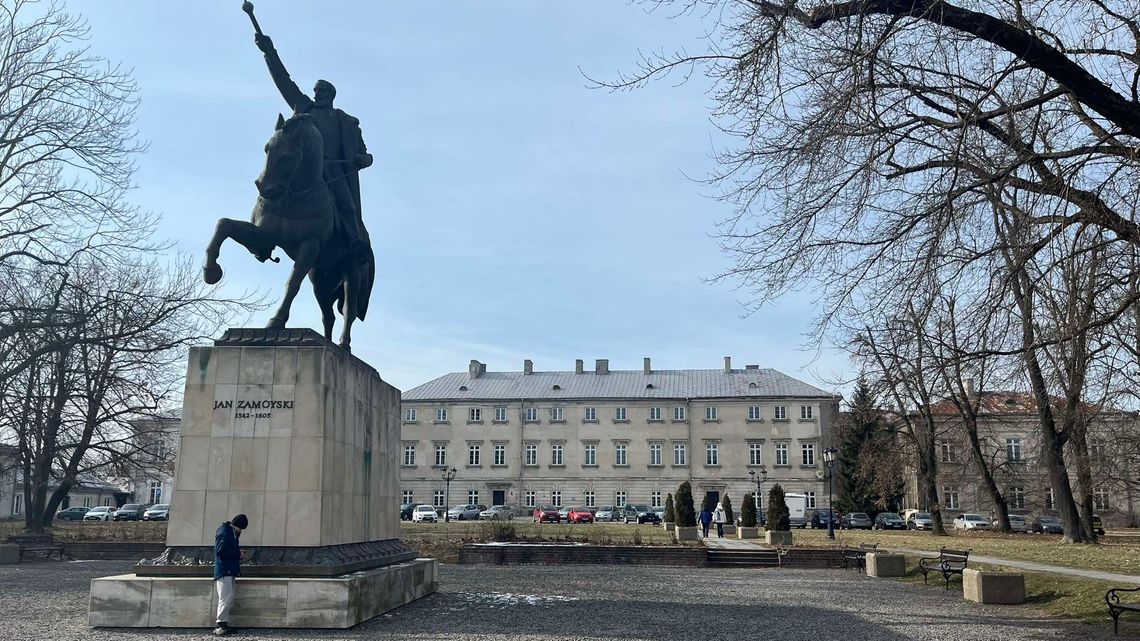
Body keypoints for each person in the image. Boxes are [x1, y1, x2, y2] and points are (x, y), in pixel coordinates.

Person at [252, 33, 373, 265]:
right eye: (315, 91)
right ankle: (262, 235)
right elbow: (284, 81)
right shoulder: (303, 107)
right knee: (273, 183)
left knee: (347, 205)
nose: (316, 94)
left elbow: (365, 153)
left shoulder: (346, 122)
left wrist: (363, 158)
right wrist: (269, 52)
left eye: (321, 92)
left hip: (332, 170)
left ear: (331, 96)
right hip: (302, 165)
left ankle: (356, 240)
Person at [214, 513, 249, 637]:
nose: (241, 531)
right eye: (241, 529)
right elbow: (220, 550)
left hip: (228, 569)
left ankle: (222, 623)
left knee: (227, 597)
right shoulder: (225, 532)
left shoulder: (229, 532)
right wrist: (237, 553)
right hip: (225, 570)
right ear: (238, 526)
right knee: (225, 598)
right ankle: (220, 625)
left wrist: (238, 553)